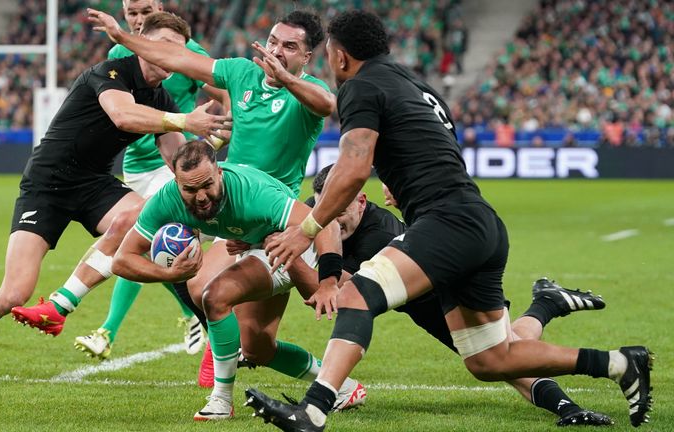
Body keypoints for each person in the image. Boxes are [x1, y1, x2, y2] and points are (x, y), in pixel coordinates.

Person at [246, 11, 653, 430]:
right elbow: (433, 151)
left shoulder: (359, 86)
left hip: (448, 222)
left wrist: (306, 230)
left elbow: (351, 169)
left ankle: (312, 413)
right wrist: (407, 191)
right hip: (476, 223)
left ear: (341, 56)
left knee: (355, 296)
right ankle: (621, 363)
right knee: (490, 359)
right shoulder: (419, 87)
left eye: (330, 55)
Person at [0, 13, 230, 379]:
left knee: (147, 223)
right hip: (46, 185)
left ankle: (209, 329)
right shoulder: (110, 72)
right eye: (165, 46)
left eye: (179, 50)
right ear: (142, 41)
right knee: (14, 293)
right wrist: (186, 120)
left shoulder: (162, 97)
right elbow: (122, 115)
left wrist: (212, 144)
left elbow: (178, 162)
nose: (173, 57)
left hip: (94, 183)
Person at [85, 7, 336, 387]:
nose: (277, 51)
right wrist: (122, 38)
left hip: (276, 221)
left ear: (306, 57)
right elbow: (178, 58)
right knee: (255, 343)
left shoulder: (309, 93)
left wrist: (286, 79)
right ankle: (338, 384)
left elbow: (327, 105)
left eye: (289, 46)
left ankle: (226, 380)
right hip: (231, 212)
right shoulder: (240, 73)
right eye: (272, 42)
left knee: (223, 306)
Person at [275, 165, 611, 427]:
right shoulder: (321, 206)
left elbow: (350, 294)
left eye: (341, 211)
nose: (331, 219)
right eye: (325, 208)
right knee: (504, 353)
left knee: (506, 359)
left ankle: (568, 402)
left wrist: (297, 258)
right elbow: (300, 224)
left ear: (361, 200)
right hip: (420, 300)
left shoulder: (379, 234)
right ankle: (548, 303)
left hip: (445, 295)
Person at [111, 140, 365, 421]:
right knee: (258, 348)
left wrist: (329, 280)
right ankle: (343, 386)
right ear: (176, 181)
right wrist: (169, 275)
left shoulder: (252, 193)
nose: (201, 196)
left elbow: (325, 223)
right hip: (256, 244)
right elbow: (122, 259)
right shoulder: (167, 199)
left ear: (219, 172)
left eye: (207, 184)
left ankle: (220, 400)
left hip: (291, 244)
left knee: (214, 295)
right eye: (190, 189)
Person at [73, 0, 231, 360]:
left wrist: (215, 141)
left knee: (140, 237)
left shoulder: (189, 53)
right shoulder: (119, 51)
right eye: (132, 14)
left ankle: (106, 330)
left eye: (146, 11)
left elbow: (226, 95)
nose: (139, 20)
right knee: (142, 241)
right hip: (136, 165)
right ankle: (192, 313)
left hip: (172, 161)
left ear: (159, 8)